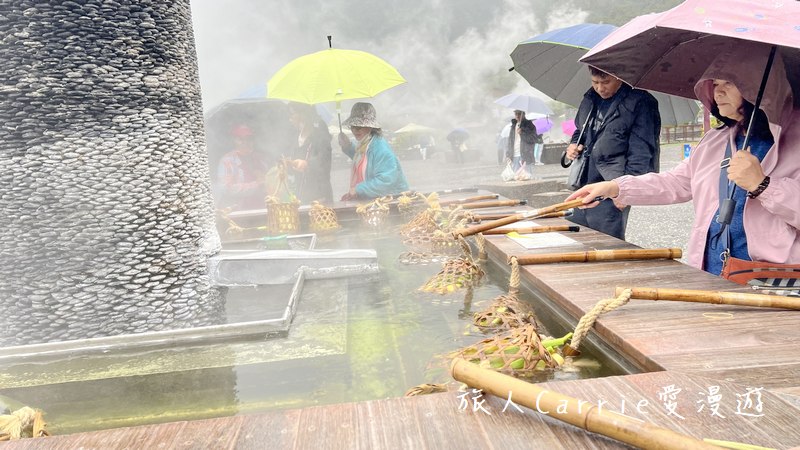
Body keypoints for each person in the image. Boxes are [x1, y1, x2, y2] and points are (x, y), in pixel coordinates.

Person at [567, 44, 800, 273]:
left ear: (761, 85)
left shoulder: (795, 140)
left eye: (729, 83)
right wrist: (615, 187)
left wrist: (763, 185)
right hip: (715, 269)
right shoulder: (716, 140)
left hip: (773, 279)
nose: (717, 92)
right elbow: (677, 182)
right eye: (715, 83)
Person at [564, 66, 661, 240]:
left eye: (606, 82)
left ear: (620, 77)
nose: (600, 88)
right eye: (595, 82)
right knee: (577, 237)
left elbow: (642, 150)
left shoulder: (640, 101)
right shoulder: (590, 97)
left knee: (606, 242)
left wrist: (628, 190)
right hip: (583, 180)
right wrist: (573, 144)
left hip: (613, 183)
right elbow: (580, 130)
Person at [337, 102, 409, 200]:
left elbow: (386, 181)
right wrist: (348, 146)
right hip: (377, 200)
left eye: (359, 126)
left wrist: (358, 190)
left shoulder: (381, 149)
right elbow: (365, 160)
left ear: (370, 126)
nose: (355, 130)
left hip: (394, 202)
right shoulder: (366, 143)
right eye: (352, 126)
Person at [287, 102, 333, 204]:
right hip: (301, 194)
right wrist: (288, 164)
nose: (290, 119)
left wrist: (307, 164)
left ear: (303, 114)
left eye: (292, 114)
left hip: (319, 196)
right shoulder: (295, 137)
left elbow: (324, 162)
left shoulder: (320, 136)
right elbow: (293, 167)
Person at [216, 124, 268, 210]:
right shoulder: (227, 161)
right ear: (234, 141)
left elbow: (268, 181)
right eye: (240, 139)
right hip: (237, 212)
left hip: (261, 209)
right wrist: (256, 185)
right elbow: (226, 189)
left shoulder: (260, 159)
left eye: (249, 139)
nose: (245, 142)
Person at [505, 110, 538, 176]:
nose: (517, 116)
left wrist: (522, 133)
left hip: (525, 155)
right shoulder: (513, 125)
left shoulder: (529, 125)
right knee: (516, 177)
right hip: (514, 155)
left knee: (526, 176)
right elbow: (510, 141)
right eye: (516, 114)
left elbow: (533, 139)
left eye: (519, 114)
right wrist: (508, 154)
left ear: (523, 114)